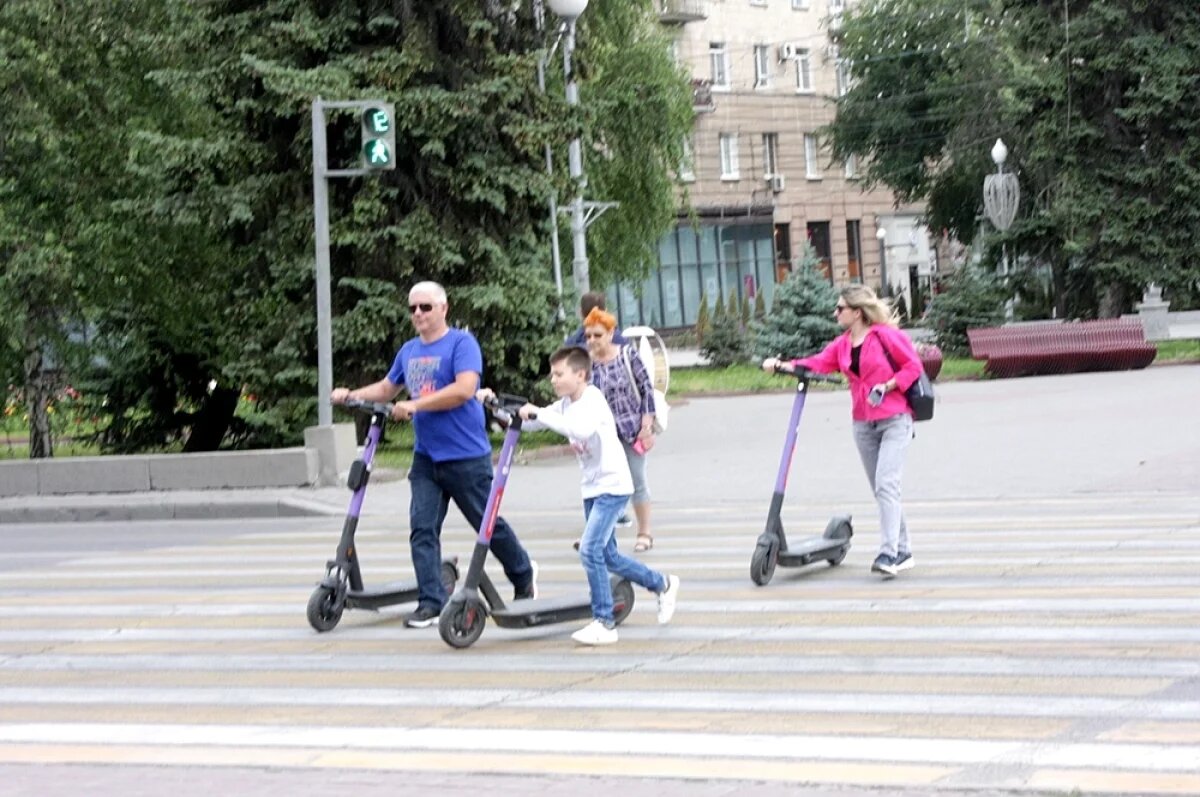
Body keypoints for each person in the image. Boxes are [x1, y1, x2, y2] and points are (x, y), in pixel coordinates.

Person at [330, 281, 537, 628]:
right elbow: (387, 388)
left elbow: (464, 389)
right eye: (412, 308)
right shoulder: (409, 350)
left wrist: (416, 404)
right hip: (426, 458)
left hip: (466, 456)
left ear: (443, 308)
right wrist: (351, 394)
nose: (418, 313)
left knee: (487, 526)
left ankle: (523, 575)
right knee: (422, 529)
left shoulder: (461, 344)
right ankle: (431, 602)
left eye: (425, 307)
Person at [498, 346, 679, 646]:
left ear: (580, 375)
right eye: (552, 374)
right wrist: (497, 408)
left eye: (559, 374)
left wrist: (539, 412)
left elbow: (579, 430)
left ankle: (604, 622)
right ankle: (662, 584)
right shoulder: (565, 404)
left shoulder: (592, 400)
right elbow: (532, 422)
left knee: (590, 550)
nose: (553, 380)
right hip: (593, 488)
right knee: (608, 556)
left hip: (613, 486)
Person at [761, 284, 924, 578]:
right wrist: (784, 365)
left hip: (895, 418)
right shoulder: (843, 344)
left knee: (887, 485)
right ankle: (904, 550)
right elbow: (819, 362)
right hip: (863, 422)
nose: (835, 313)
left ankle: (889, 554)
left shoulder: (886, 336)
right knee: (881, 488)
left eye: (840, 308)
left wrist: (888, 386)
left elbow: (913, 367)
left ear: (857, 312)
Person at [582, 307, 659, 552]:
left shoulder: (627, 355)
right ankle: (597, 536)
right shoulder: (586, 364)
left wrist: (646, 426)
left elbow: (646, 389)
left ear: (610, 333)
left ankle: (645, 533)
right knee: (602, 486)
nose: (592, 340)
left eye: (597, 335)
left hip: (631, 431)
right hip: (601, 438)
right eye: (588, 335)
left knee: (637, 481)